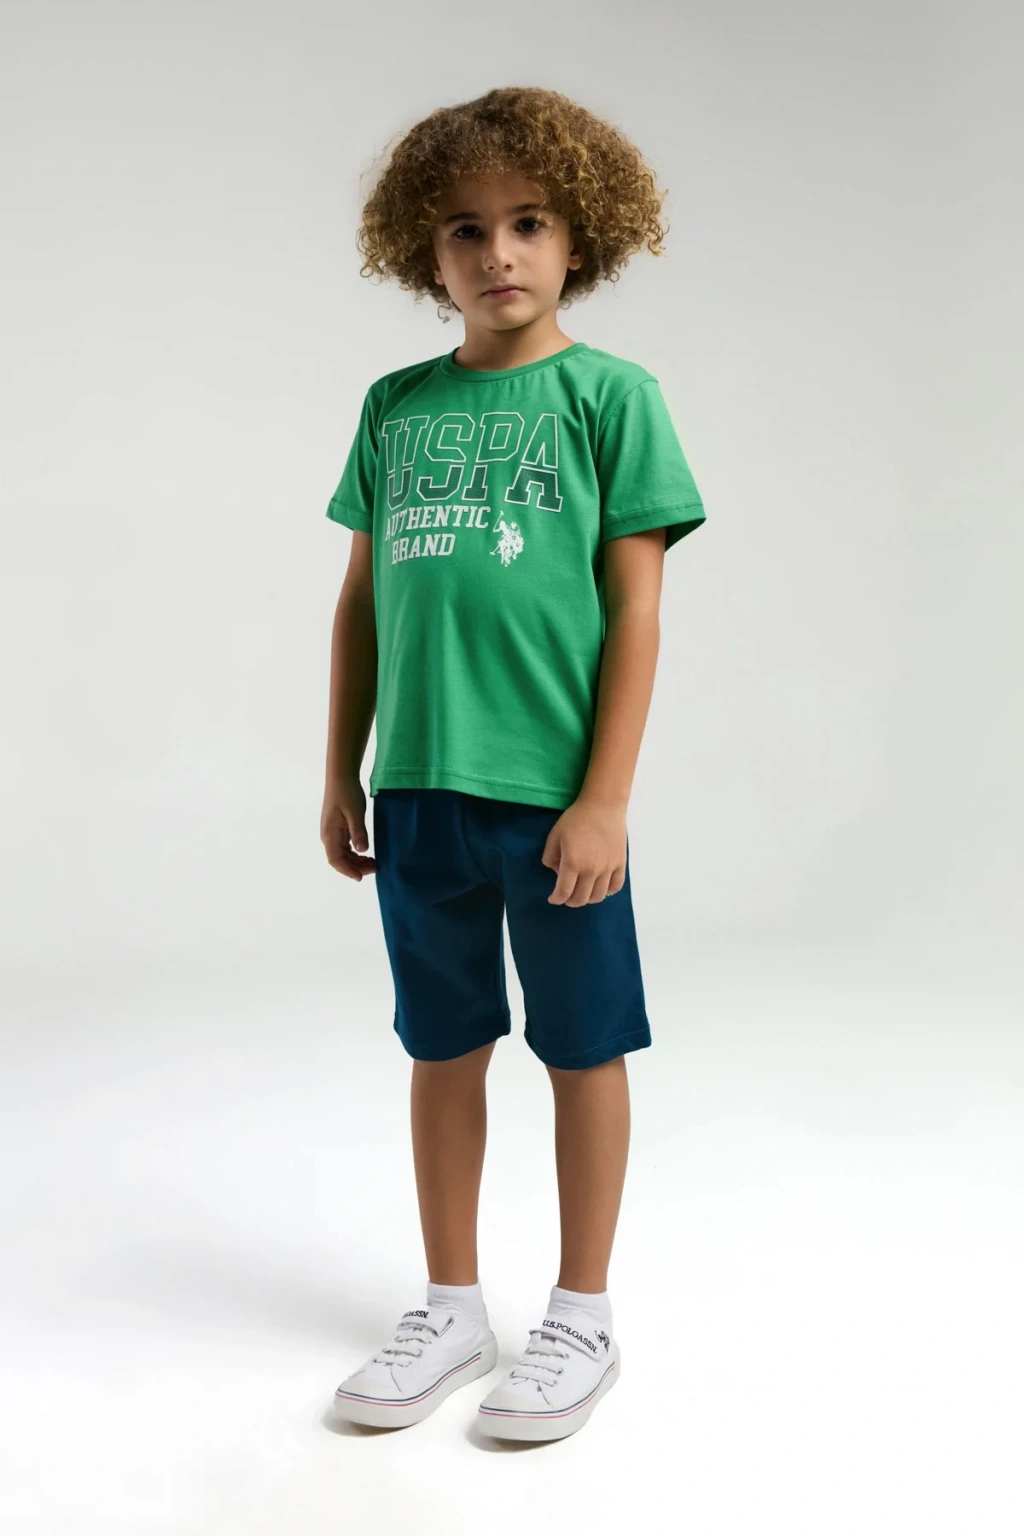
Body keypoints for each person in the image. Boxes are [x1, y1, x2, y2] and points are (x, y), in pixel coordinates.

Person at [320, 85, 706, 1442]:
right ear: (423, 253)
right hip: (419, 790)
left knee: (581, 1046)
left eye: (529, 222)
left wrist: (606, 797)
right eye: (466, 229)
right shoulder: (395, 407)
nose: (499, 253)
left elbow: (637, 608)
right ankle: (450, 1307)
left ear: (578, 237)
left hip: (552, 801)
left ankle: (582, 1317)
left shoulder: (612, 398)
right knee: (444, 1045)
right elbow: (362, 602)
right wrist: (341, 769)